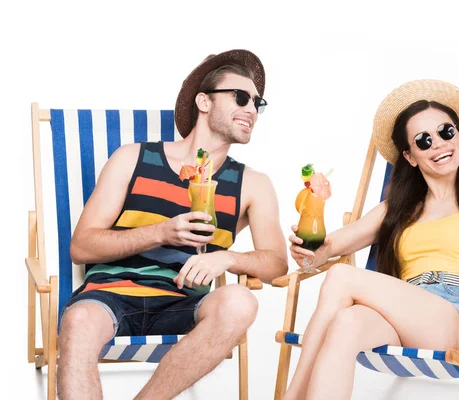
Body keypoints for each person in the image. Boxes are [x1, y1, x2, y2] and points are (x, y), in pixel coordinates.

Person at [283, 76, 459, 400]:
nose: (438, 143)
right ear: (409, 156)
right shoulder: (394, 211)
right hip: (405, 314)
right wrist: (308, 251)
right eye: (423, 141)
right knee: (345, 324)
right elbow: (332, 247)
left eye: (446, 132)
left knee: (342, 276)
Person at [57, 49, 288, 399]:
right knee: (78, 320)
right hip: (110, 297)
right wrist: (160, 232)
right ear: (204, 102)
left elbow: (276, 264)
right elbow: (81, 247)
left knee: (241, 301)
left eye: (258, 103)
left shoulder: (253, 184)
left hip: (185, 302)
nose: (252, 109)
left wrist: (226, 259)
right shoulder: (132, 158)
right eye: (241, 97)